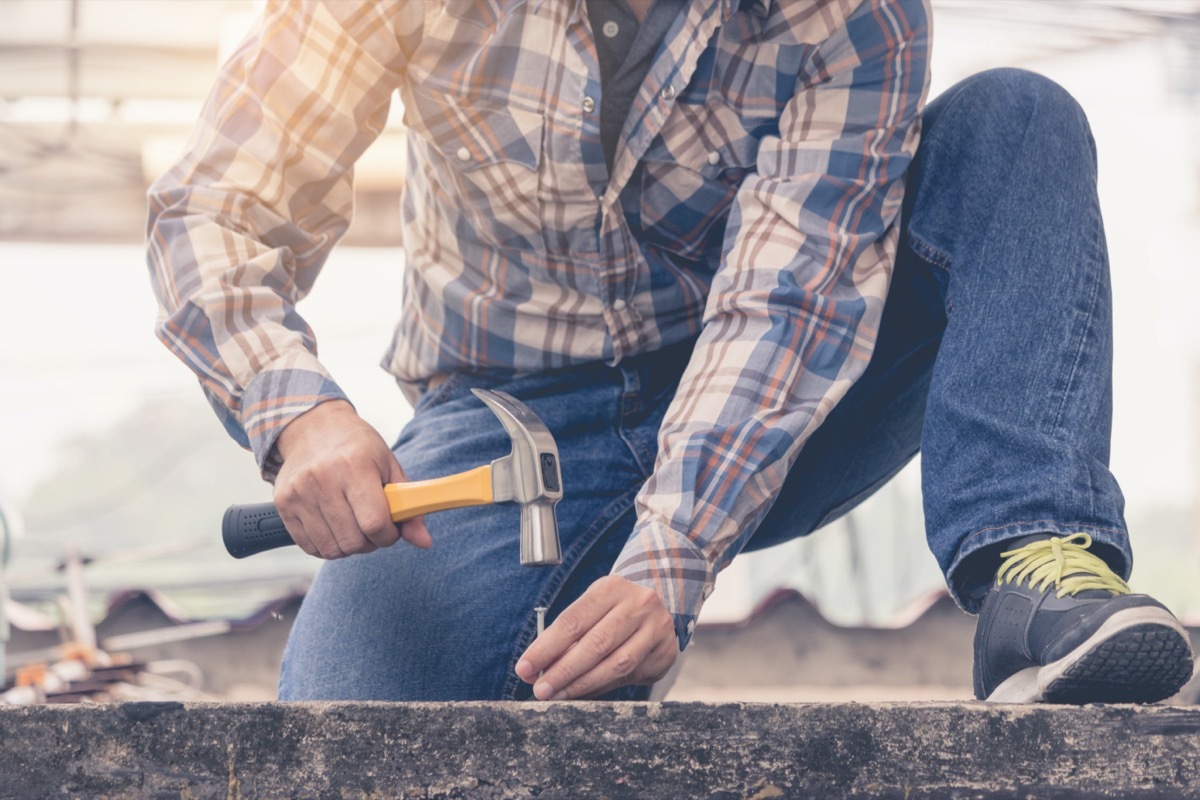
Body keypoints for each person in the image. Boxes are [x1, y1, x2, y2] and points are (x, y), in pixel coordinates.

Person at [147, 0, 1194, 704]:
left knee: (1014, 125)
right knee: (337, 719)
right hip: (511, 427)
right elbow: (219, 200)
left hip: (777, 391)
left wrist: (670, 558)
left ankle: (1036, 563)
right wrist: (297, 411)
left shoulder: (848, 17)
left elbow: (789, 303)